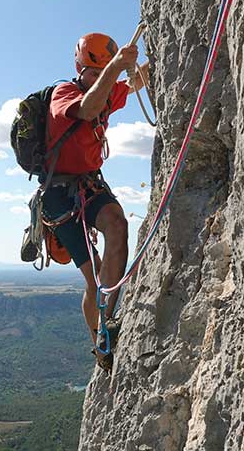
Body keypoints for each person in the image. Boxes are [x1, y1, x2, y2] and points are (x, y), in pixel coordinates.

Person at [41, 32, 150, 371]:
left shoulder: (107, 89)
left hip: (88, 185)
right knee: (93, 276)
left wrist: (145, 60)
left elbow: (136, 84)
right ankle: (100, 340)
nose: (97, 80)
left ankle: (110, 318)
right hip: (59, 196)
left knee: (118, 225)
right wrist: (116, 67)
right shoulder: (65, 93)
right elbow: (87, 111)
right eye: (92, 73)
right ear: (79, 69)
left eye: (100, 73)